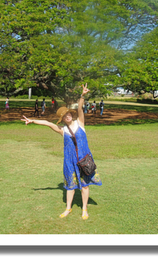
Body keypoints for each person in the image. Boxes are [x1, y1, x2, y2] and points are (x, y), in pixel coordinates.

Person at [21, 84, 102, 220]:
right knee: (70, 186)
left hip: (84, 159)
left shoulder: (80, 122)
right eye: (65, 116)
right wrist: (32, 120)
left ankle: (84, 209)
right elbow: (48, 123)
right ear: (63, 119)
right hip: (70, 161)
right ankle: (68, 208)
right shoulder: (62, 130)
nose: (68, 116)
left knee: (85, 186)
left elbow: (80, 107)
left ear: (71, 114)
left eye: (68, 114)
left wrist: (82, 95)